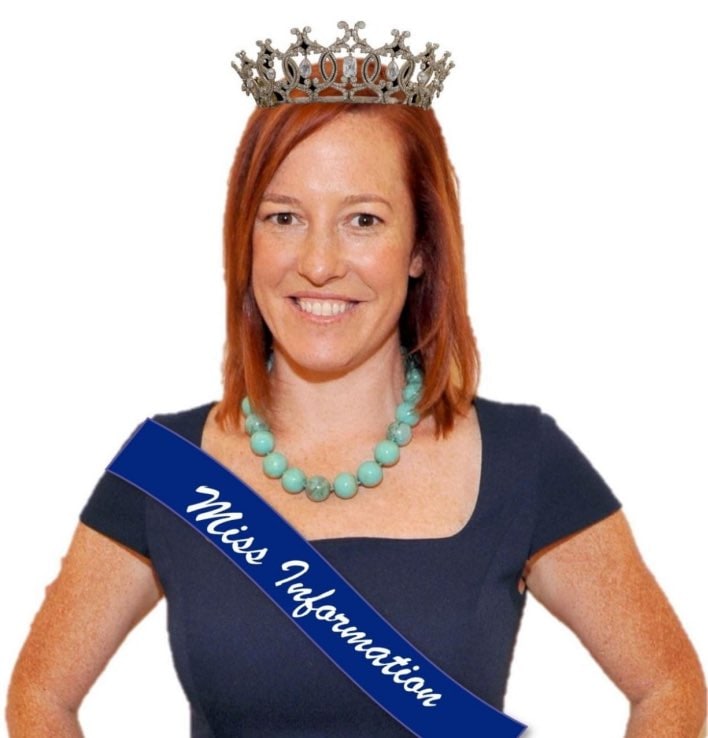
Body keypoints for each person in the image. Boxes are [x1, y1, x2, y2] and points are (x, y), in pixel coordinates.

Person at [7, 20, 705, 738]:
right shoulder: (169, 469)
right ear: (246, 237)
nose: (318, 263)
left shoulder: (522, 460)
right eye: (284, 217)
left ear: (420, 247)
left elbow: (670, 687)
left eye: (363, 220)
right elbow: (40, 696)